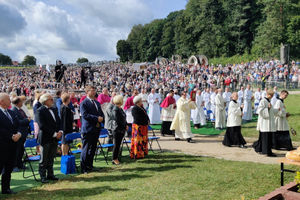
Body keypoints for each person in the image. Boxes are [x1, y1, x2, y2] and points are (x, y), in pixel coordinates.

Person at [35, 93, 62, 183]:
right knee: (44, 158)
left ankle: (50, 174)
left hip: (54, 138)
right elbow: (42, 125)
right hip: (45, 138)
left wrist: (60, 131)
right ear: (45, 101)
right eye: (51, 99)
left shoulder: (54, 109)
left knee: (51, 157)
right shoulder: (40, 111)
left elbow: (58, 121)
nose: (53, 100)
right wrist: (54, 133)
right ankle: (43, 176)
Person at [0, 93, 21, 194]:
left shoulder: (11, 112)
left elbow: (18, 124)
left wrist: (19, 134)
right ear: (2, 102)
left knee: (8, 168)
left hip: (12, 145)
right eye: (8, 99)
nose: (10, 101)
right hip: (2, 145)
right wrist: (11, 136)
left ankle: (6, 188)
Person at [80, 86, 104, 173]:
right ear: (87, 92)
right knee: (86, 149)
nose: (94, 92)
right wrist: (97, 118)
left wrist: (102, 118)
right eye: (92, 90)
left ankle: (90, 165)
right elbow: (85, 115)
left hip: (96, 128)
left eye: (95, 90)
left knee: (93, 148)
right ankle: (83, 168)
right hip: (88, 129)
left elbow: (101, 113)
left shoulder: (97, 103)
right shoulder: (84, 103)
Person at [253, 89, 277, 157]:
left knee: (267, 138)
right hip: (264, 123)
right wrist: (268, 109)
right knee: (265, 138)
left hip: (268, 123)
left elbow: (271, 111)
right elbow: (259, 111)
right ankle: (266, 151)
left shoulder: (268, 101)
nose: (272, 97)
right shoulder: (263, 101)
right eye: (271, 95)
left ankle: (261, 149)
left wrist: (277, 110)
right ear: (268, 94)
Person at [11, 97, 31, 172]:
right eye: (21, 101)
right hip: (18, 133)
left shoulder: (20, 109)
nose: (22, 103)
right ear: (18, 102)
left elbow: (25, 118)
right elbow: (18, 122)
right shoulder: (14, 110)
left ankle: (20, 164)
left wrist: (27, 119)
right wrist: (27, 120)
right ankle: (15, 165)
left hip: (24, 132)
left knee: (21, 150)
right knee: (17, 150)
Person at [111, 95, 127, 165]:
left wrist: (126, 125)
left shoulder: (120, 108)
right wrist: (124, 126)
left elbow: (123, 118)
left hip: (121, 129)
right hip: (117, 129)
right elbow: (118, 120)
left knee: (118, 145)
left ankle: (117, 157)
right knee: (116, 145)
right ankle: (114, 158)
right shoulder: (115, 109)